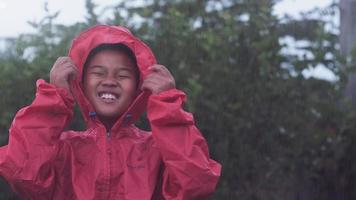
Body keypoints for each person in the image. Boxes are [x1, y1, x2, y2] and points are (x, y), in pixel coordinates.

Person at [0, 25, 221, 200]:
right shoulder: (64, 149)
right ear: (81, 85)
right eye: (98, 72)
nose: (109, 81)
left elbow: (195, 183)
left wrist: (168, 106)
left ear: (139, 87)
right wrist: (54, 98)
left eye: (122, 75)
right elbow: (20, 171)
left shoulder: (155, 149)